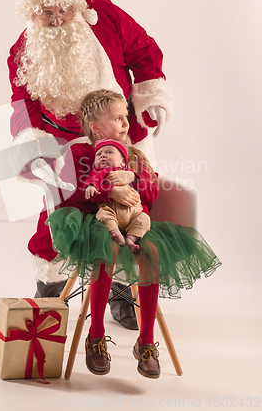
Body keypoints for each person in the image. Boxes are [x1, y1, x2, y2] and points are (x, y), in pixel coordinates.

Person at [8, 0, 173, 328]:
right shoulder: (23, 50)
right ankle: (49, 296)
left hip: (121, 140)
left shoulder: (107, 18)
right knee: (58, 216)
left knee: (131, 211)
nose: (55, 20)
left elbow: (144, 52)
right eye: (44, 13)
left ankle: (122, 295)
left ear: (77, 2)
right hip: (67, 148)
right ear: (31, 12)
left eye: (63, 10)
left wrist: (152, 99)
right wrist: (34, 148)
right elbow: (23, 105)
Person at [47, 89, 221, 379]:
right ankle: (96, 336)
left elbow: (150, 197)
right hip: (95, 223)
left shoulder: (136, 155)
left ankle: (146, 342)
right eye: (117, 118)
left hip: (135, 223)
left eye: (126, 117)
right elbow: (70, 196)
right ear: (96, 127)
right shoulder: (79, 154)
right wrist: (108, 189)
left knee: (151, 252)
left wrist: (134, 178)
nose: (126, 123)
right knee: (108, 251)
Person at [84, 139, 151, 253]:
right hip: (111, 210)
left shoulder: (128, 173)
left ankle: (131, 238)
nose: (103, 155)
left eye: (109, 152)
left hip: (133, 214)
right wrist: (90, 186)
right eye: (98, 154)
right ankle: (116, 233)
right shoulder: (99, 172)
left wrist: (133, 176)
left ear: (123, 162)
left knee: (145, 219)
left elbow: (147, 188)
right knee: (103, 214)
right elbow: (92, 180)